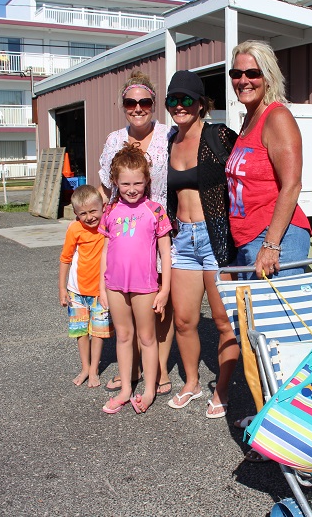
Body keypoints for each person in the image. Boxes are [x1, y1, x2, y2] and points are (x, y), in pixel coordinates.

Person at [225, 40, 312, 460]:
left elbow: (291, 184)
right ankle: (270, 418)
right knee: (258, 339)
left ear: (268, 76)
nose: (244, 80)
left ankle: (291, 433)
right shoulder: (247, 121)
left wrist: (270, 244)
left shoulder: (277, 118)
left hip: (276, 240)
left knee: (280, 340)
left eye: (252, 73)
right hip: (248, 244)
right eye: (237, 74)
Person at [162, 70, 239, 418]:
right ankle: (191, 382)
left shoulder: (218, 135)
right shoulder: (168, 141)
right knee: (184, 320)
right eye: (173, 100)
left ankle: (221, 390)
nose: (179, 106)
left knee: (224, 321)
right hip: (182, 240)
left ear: (201, 103)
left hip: (215, 237)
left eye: (186, 99)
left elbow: (247, 172)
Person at [98, 70, 174, 398]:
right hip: (126, 232)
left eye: (144, 101)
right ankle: (132, 372)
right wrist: (112, 216)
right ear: (123, 104)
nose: (138, 107)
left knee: (158, 306)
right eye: (131, 101)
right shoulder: (115, 139)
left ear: (154, 103)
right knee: (128, 312)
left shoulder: (169, 135)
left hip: (160, 226)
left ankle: (158, 375)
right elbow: (105, 183)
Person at [58, 185, 112, 389]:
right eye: (83, 213)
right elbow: (65, 259)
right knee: (81, 331)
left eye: (93, 211)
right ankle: (84, 367)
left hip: (101, 292)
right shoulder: (74, 229)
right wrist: (62, 289)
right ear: (76, 214)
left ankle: (94, 369)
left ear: (103, 208)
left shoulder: (107, 224)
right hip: (77, 291)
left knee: (98, 332)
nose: (89, 217)